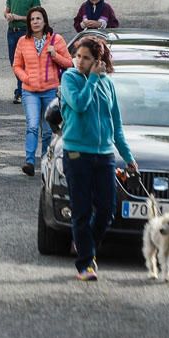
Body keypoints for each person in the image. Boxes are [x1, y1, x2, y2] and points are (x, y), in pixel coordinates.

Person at [59, 36, 138, 281]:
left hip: (104, 155)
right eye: (78, 56)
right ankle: (85, 264)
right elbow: (80, 104)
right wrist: (91, 78)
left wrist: (128, 157)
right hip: (76, 153)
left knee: (106, 210)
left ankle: (84, 243)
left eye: (86, 58)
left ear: (98, 61)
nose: (80, 61)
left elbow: (117, 126)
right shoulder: (70, 78)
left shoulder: (108, 84)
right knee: (81, 210)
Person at [13, 7, 73, 176]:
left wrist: (55, 55)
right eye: (32, 19)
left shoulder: (56, 39)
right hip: (30, 91)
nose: (35, 22)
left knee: (47, 130)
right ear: (29, 23)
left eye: (38, 19)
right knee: (32, 125)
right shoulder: (23, 41)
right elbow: (17, 65)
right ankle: (29, 162)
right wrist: (26, 78)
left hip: (50, 91)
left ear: (45, 21)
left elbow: (69, 63)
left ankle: (46, 162)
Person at [4, 0, 41, 104]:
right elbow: (6, 10)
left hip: (24, 32)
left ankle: (21, 91)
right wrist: (8, 15)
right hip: (11, 31)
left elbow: (36, 18)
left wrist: (17, 17)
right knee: (14, 62)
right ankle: (25, 88)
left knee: (23, 62)